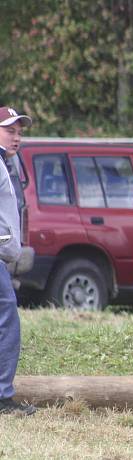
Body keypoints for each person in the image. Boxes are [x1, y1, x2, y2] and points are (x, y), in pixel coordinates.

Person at [0, 106, 35, 415]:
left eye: (20, 132)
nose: (17, 137)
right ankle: (2, 396)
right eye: (10, 130)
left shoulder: (6, 164)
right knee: (7, 318)